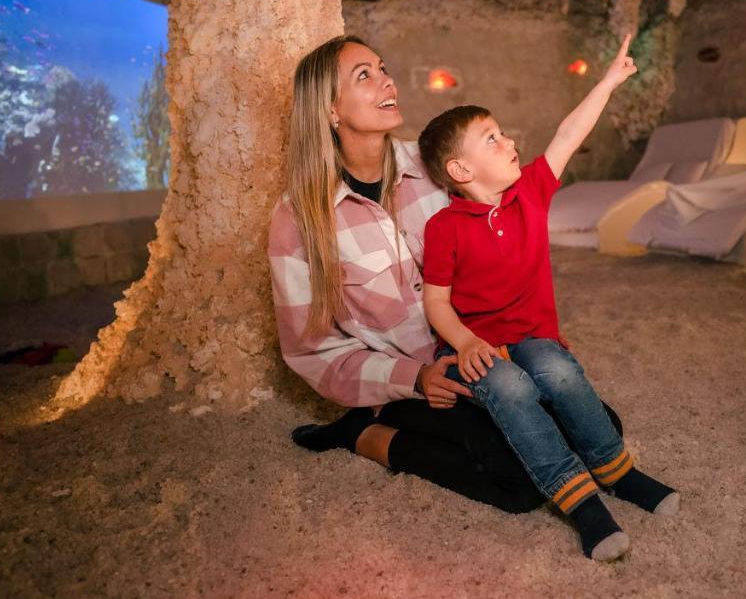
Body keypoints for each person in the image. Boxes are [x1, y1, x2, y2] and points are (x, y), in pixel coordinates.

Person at [268, 35, 623, 517]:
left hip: (484, 357)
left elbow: (507, 239)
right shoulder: (297, 220)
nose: (387, 79)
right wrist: (414, 378)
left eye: (382, 67)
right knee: (521, 480)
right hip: (408, 381)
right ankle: (361, 433)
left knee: (602, 427)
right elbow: (310, 351)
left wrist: (534, 335)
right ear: (331, 111)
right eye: (364, 76)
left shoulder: (441, 166)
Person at [417, 34, 678, 562]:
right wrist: (465, 344)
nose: (509, 141)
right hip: (474, 347)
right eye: (491, 138)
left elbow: (569, 133)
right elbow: (436, 302)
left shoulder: (530, 193)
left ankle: (618, 471)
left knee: (558, 372)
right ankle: (579, 502)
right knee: (510, 389)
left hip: (533, 336)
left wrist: (607, 83)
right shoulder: (443, 226)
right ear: (460, 172)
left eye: (503, 132)